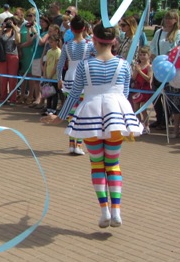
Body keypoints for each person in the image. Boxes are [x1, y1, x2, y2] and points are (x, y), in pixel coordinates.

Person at [52, 23, 143, 228]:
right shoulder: (123, 65)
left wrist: (59, 117)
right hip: (115, 115)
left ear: (94, 40)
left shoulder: (85, 66)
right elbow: (125, 93)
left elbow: (75, 94)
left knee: (97, 164)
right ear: (114, 41)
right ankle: (116, 211)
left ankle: (105, 211)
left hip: (91, 115)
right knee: (113, 163)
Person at [56, 15, 96, 155]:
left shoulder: (67, 45)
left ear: (71, 29)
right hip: (83, 78)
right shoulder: (89, 44)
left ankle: (73, 143)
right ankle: (77, 144)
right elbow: (97, 58)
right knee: (80, 112)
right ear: (84, 28)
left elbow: (60, 64)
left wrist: (59, 79)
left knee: (72, 111)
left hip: (70, 77)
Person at [149, 10, 180, 129]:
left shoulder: (178, 33)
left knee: (167, 95)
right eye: (167, 18)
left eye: (171, 18)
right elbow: (152, 46)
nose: (168, 21)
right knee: (156, 93)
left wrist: (167, 59)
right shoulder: (159, 32)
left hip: (169, 67)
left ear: (175, 20)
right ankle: (159, 118)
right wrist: (153, 55)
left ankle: (166, 119)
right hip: (158, 66)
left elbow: (176, 48)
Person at [0, 17, 21, 104]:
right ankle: (3, 97)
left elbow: (18, 41)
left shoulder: (16, 32)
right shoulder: (2, 32)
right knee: (3, 78)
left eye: (10, 23)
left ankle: (13, 99)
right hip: (3, 56)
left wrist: (13, 27)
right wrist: (3, 28)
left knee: (12, 79)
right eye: (7, 22)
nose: (8, 24)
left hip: (13, 56)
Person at [130, 47, 152, 132]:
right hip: (137, 88)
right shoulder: (138, 66)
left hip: (145, 89)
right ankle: (138, 124)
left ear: (148, 56)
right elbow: (134, 77)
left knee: (143, 109)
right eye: (140, 55)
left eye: (144, 55)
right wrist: (136, 70)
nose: (142, 57)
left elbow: (148, 78)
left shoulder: (149, 67)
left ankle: (146, 126)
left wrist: (140, 71)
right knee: (136, 109)